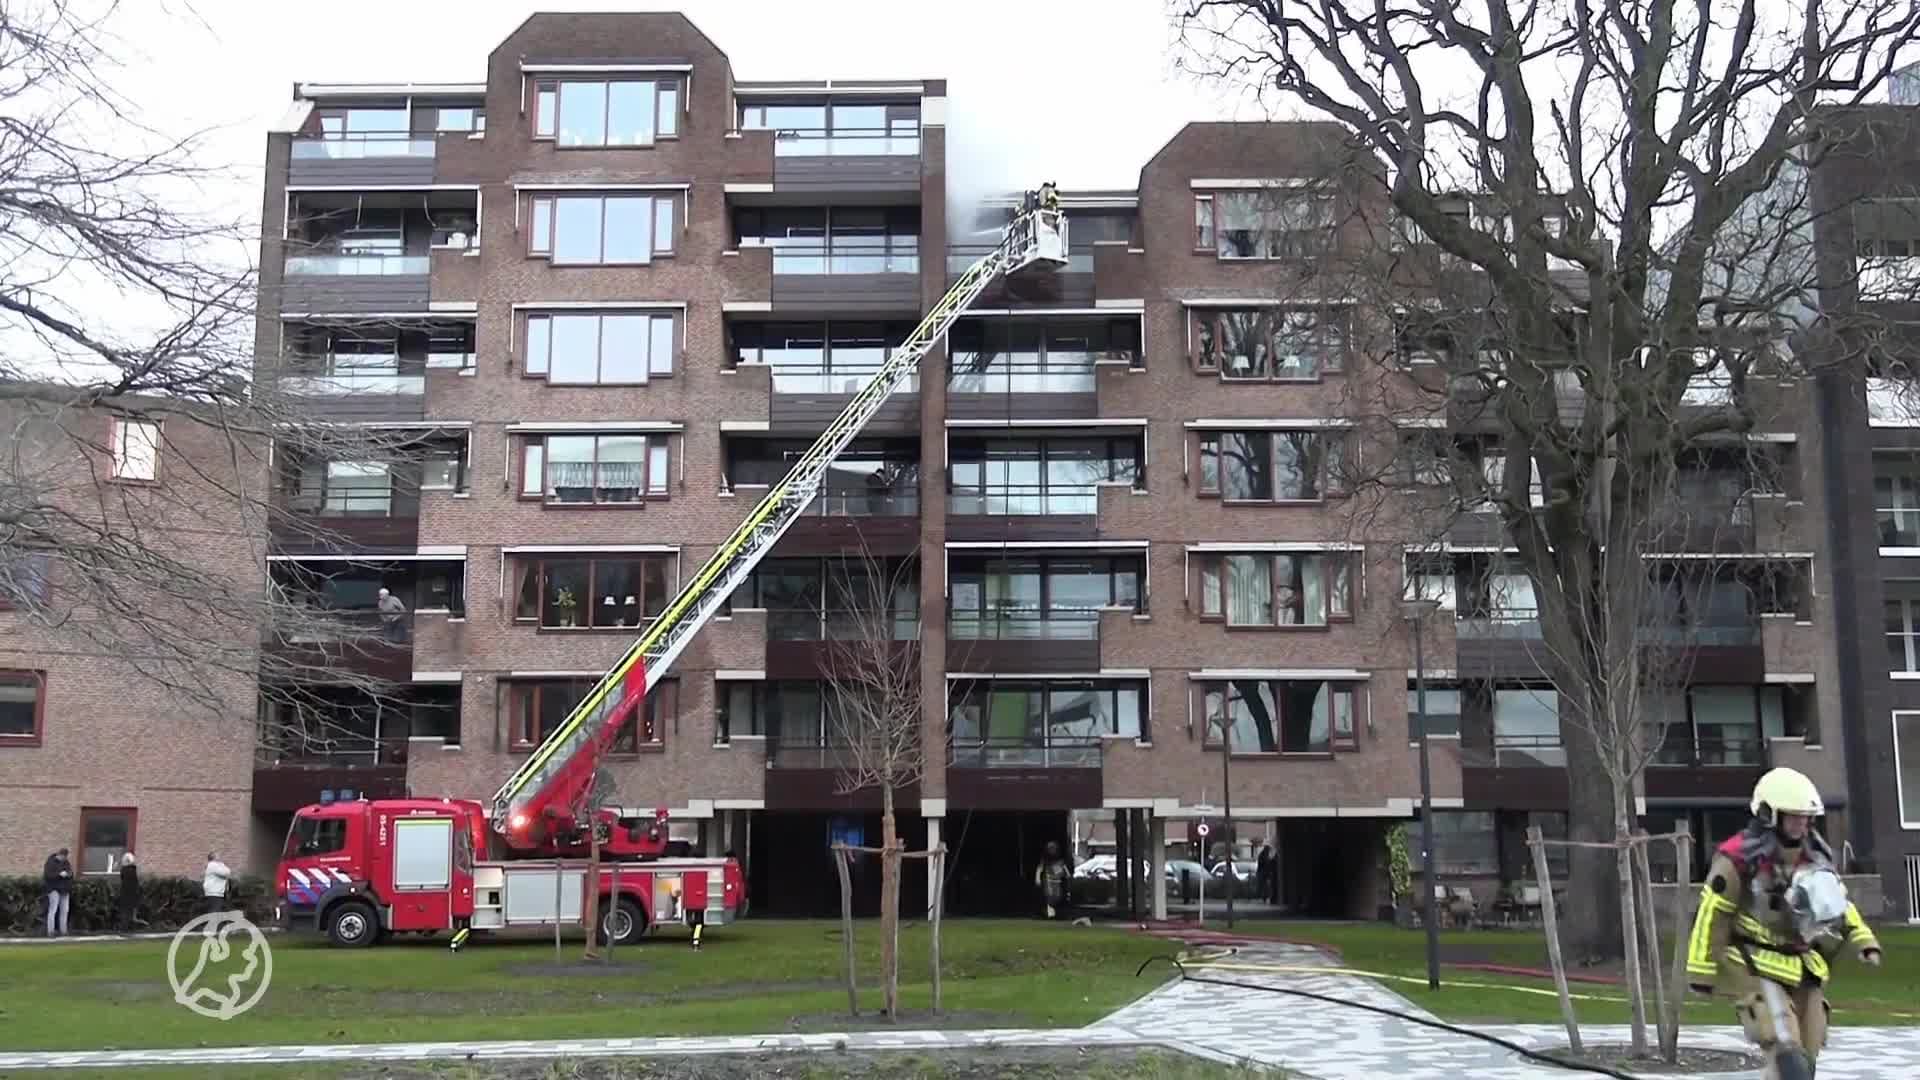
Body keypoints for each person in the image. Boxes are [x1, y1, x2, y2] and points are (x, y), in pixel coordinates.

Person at [1686, 767, 1883, 1076]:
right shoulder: (1737, 860)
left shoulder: (1815, 858)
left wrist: (1864, 940)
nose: (1801, 824)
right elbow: (1711, 914)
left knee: (1808, 1054)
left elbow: (1837, 904)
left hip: (1805, 966)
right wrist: (1701, 971)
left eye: (1806, 817)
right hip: (1755, 962)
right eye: (1793, 816)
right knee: (1785, 1051)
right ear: (1768, 814)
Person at [1034, 841, 1070, 920]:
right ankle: (1050, 914)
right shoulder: (1045, 860)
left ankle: (1051, 911)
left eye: (1053, 848)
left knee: (1058, 897)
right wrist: (1037, 878)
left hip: (1057, 881)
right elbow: (1039, 869)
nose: (1052, 850)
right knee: (1049, 896)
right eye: (1050, 849)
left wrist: (1067, 875)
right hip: (1048, 880)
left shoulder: (1060, 860)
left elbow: (1064, 869)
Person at [42, 847, 73, 937]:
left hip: (64, 890)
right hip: (53, 889)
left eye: (65, 857)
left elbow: (70, 873)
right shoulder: (50, 862)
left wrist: (68, 874)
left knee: (65, 911)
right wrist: (59, 874)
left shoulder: (66, 863)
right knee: (53, 910)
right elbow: (48, 875)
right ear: (60, 855)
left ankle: (63, 931)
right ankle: (50, 931)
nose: (64, 859)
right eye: (63, 857)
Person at [117, 850, 146, 931]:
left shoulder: (124, 870)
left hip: (126, 895)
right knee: (131, 914)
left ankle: (125, 928)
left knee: (125, 913)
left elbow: (125, 881)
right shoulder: (133, 870)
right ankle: (133, 926)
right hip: (133, 895)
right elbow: (136, 884)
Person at [202, 851, 232, 918]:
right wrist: (222, 865)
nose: (220, 857)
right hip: (214, 892)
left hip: (215, 891)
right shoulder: (213, 865)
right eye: (218, 855)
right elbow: (226, 872)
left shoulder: (214, 865)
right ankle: (212, 927)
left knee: (215, 911)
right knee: (215, 911)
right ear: (214, 857)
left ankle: (213, 927)